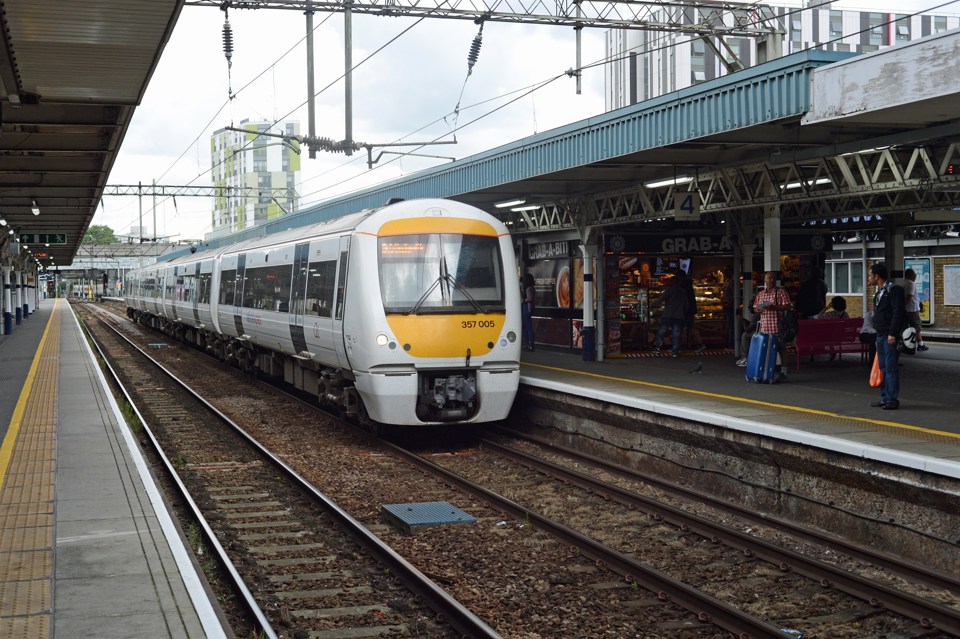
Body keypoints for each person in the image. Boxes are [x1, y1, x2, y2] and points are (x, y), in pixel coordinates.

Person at [869, 263, 906, 410]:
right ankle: (884, 397)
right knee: (883, 367)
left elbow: (898, 312)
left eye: (870, 275)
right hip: (880, 334)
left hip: (889, 335)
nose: (869, 278)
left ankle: (892, 399)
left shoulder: (894, 290)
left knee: (890, 368)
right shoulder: (879, 293)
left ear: (877, 276)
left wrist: (893, 332)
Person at [751, 271, 792, 382]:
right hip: (764, 328)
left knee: (782, 349)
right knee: (765, 350)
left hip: (778, 327)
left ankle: (783, 372)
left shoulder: (781, 292)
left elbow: (788, 306)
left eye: (773, 278)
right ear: (764, 280)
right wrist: (759, 309)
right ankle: (765, 371)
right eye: (769, 278)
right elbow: (755, 308)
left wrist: (774, 307)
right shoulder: (760, 294)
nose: (771, 280)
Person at [651, 271, 688, 358]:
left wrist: (652, 305)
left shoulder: (669, 290)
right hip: (679, 316)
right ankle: (674, 351)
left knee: (662, 331)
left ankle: (658, 348)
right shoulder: (683, 292)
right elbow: (686, 305)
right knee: (676, 333)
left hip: (668, 314)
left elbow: (660, 300)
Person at [680, 271, 707, 354]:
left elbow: (684, 299)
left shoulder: (683, 286)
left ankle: (682, 346)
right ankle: (696, 344)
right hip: (691, 310)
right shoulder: (688, 285)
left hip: (687, 311)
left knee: (684, 328)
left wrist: (684, 309)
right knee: (691, 327)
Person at [903, 268, 929, 352]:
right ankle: (920, 345)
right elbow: (909, 296)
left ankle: (909, 344)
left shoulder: (903, 283)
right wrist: (904, 306)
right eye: (914, 275)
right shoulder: (911, 284)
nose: (915, 277)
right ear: (910, 275)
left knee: (909, 327)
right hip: (912, 310)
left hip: (908, 310)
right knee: (916, 327)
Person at [735, 296, 758, 367]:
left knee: (745, 335)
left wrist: (742, 320)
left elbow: (748, 330)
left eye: (751, 304)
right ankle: (744, 357)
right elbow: (752, 324)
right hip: (759, 331)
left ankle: (745, 358)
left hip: (760, 333)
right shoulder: (755, 315)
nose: (749, 306)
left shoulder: (756, 315)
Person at [521, 273, 536, 351]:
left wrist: (524, 300)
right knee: (524, 326)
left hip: (527, 307)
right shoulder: (530, 288)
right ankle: (527, 343)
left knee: (528, 326)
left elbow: (530, 299)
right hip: (525, 307)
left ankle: (530, 344)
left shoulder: (529, 288)